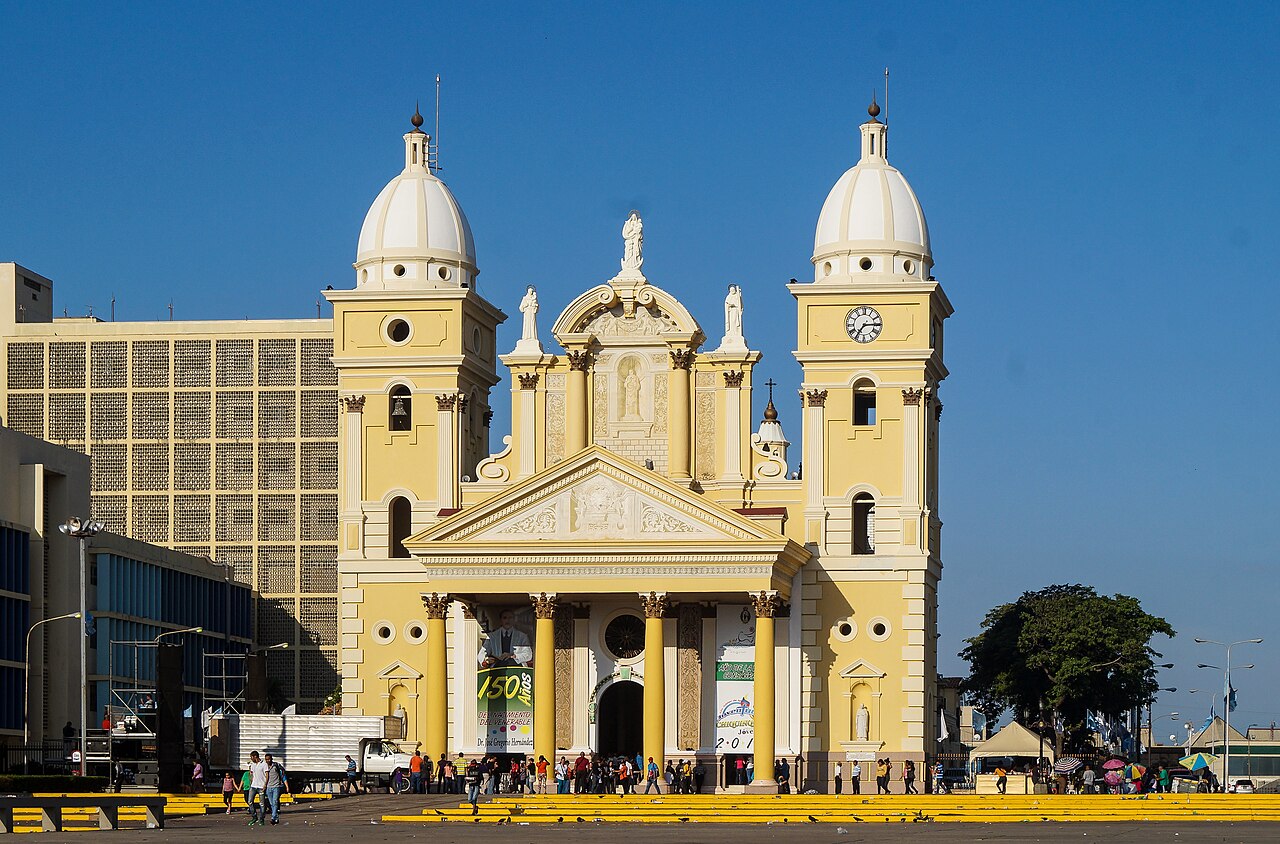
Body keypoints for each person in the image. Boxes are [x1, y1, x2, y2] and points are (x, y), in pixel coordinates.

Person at [263, 753, 289, 825]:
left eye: (269, 759)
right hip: (268, 787)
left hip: (276, 787)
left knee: (275, 802)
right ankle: (276, 818)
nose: (268, 761)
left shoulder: (276, 766)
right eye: (266, 759)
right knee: (271, 804)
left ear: (272, 759)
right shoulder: (264, 767)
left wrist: (287, 786)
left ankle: (273, 817)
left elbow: (283, 776)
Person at [246, 751, 268, 825]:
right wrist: (251, 782)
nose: (251, 759)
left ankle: (261, 819)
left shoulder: (264, 764)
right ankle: (254, 817)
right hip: (253, 786)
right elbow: (252, 774)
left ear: (255, 756)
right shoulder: (252, 765)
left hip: (261, 786)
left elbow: (267, 775)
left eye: (251, 757)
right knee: (250, 801)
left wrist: (265, 785)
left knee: (262, 804)